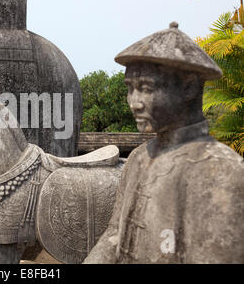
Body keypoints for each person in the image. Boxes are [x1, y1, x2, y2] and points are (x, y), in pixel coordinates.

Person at [83, 22, 244, 264]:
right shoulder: (139, 158)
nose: (134, 102)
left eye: (146, 88)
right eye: (130, 89)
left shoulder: (221, 169)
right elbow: (115, 234)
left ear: (189, 87)